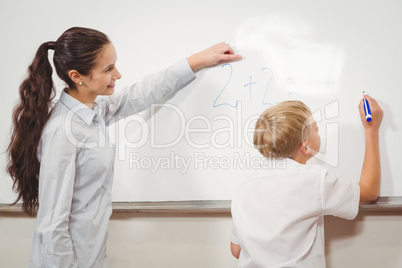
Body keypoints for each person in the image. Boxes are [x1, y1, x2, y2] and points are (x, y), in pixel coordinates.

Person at [7, 26, 241, 267]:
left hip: (91, 257)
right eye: (108, 69)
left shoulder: (92, 111)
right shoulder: (63, 130)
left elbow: (140, 94)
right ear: (77, 76)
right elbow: (52, 224)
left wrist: (195, 61)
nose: (117, 75)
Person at [230, 97, 383, 267]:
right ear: (305, 147)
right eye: (316, 129)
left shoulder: (243, 188)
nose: (319, 132)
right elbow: (369, 191)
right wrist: (371, 129)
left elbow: (236, 250)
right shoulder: (314, 180)